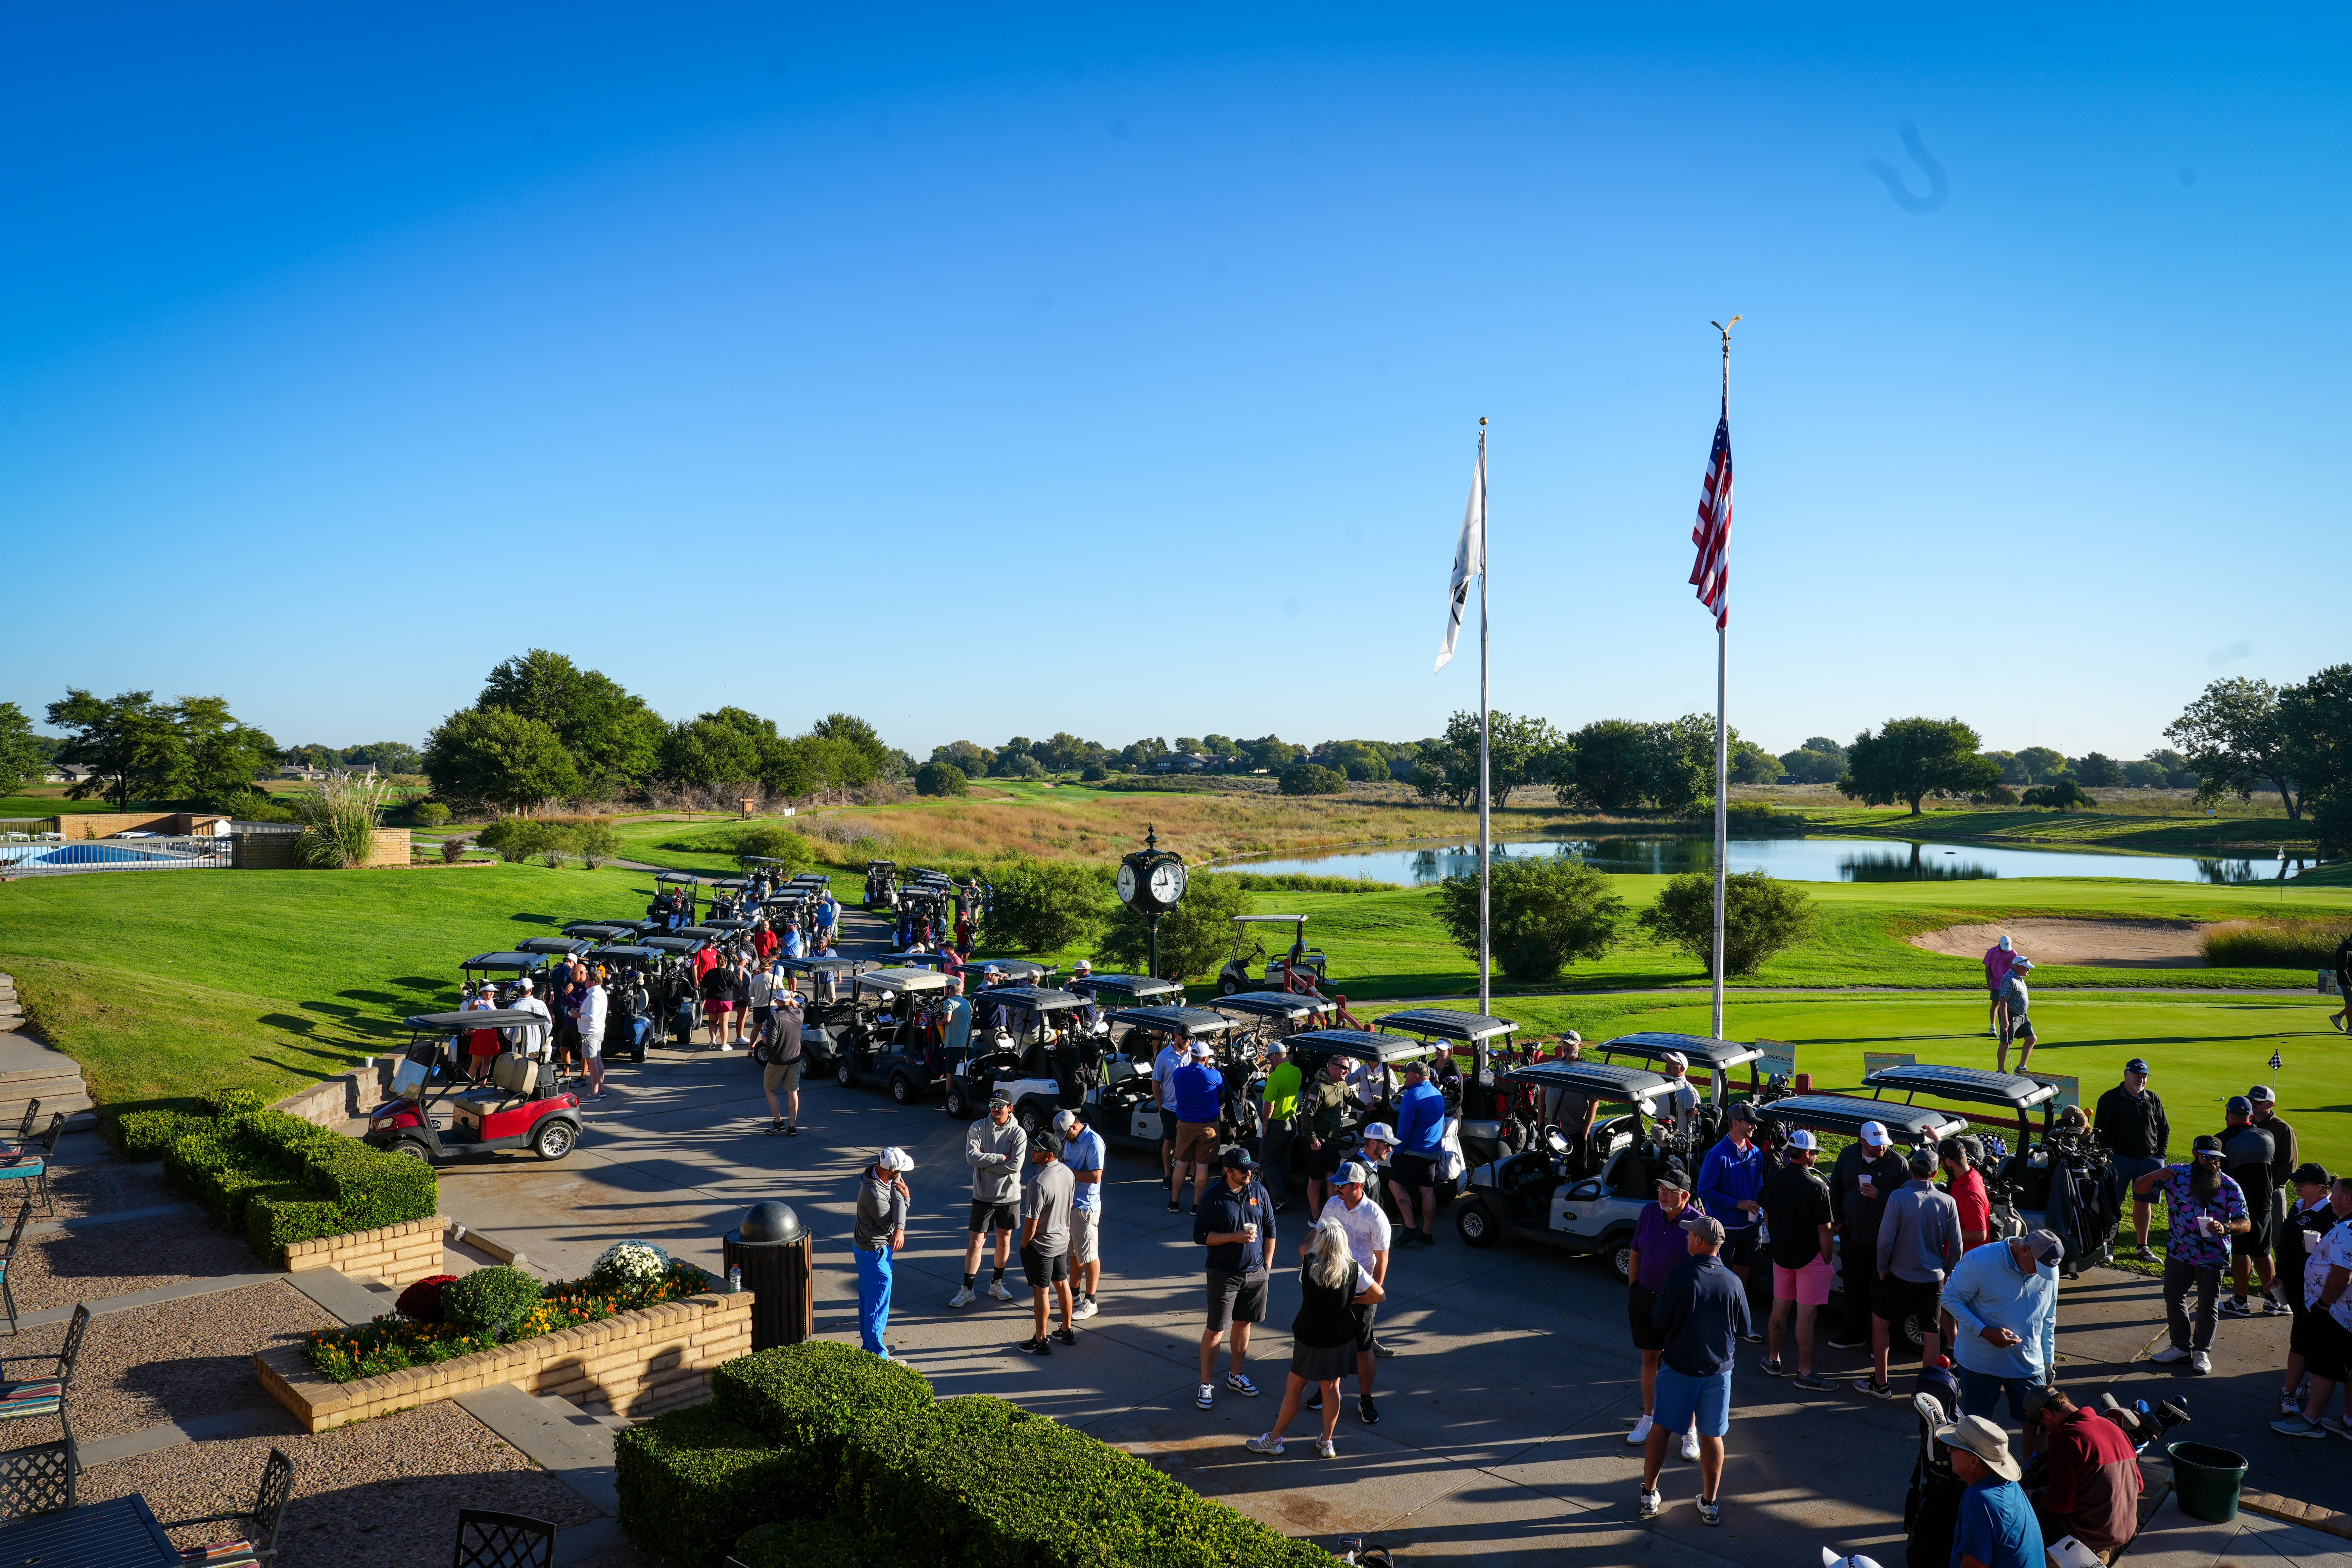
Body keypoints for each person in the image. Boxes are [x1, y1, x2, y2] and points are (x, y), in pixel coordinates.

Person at [1637, 1214, 1750, 1527]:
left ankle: (1649, 1495)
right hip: (1718, 1374)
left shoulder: (1678, 1276)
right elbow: (1744, 1327)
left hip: (1678, 1368)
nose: (1686, 1238)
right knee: (1712, 1436)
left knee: (1661, 1428)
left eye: (1690, 1235)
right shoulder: (1734, 1281)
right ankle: (1711, 1504)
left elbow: (1659, 1322)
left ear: (1699, 1242)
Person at [1245, 1215, 1385, 1459]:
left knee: (1295, 1389)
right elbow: (1379, 1295)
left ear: (1321, 1240)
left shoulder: (1309, 1264)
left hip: (1310, 1337)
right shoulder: (1354, 1268)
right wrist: (1353, 1301)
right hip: (1340, 1338)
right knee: (1332, 1389)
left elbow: (1305, 1263)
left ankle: (1275, 1439)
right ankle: (1327, 1441)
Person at [2132, 1135, 2250, 1374]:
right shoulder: (2176, 1175)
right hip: (2179, 1251)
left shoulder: (2229, 1186)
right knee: (2173, 1296)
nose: (2212, 1163)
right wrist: (2155, 1175)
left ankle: (2202, 1351)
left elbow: (2246, 1223)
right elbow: (2139, 1188)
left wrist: (2226, 1228)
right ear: (2195, 1153)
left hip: (2212, 1255)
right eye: (2207, 1157)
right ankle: (2180, 1347)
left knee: (2208, 1304)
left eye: (2217, 1159)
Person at [1857, 1146, 1960, 1399]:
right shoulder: (1948, 1201)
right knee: (1932, 1333)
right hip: (1933, 1278)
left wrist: (1882, 1268)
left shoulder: (1898, 1198)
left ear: (1911, 1169)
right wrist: (1947, 1273)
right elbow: (1957, 1246)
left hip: (1899, 1275)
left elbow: (1885, 1241)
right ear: (1936, 1173)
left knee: (1880, 1323)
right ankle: (1926, 1391)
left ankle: (1881, 1384)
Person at [1943, 1231, 2062, 1446]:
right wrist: (1985, 1331)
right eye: (2038, 1267)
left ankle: (2031, 1477)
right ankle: (1982, 1479)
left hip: (2029, 1366)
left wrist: (2049, 1360)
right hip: (1980, 1365)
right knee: (1977, 1432)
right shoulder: (1981, 1260)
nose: (2040, 1274)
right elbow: (1950, 1298)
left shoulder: (2047, 1267)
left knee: (2037, 1429)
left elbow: (2048, 1318)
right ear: (2024, 1250)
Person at [1627, 1170, 1708, 1460]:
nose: (1662, 1195)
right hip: (1646, 1300)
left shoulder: (1699, 1223)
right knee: (1650, 1358)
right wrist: (1634, 1289)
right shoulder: (1649, 1212)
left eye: (1669, 1190)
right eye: (1660, 1188)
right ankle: (1649, 1417)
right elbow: (1636, 1252)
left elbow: (1710, 1267)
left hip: (1681, 1309)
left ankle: (1689, 1429)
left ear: (1685, 1196)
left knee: (1684, 1367)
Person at [1311, 1159, 1392, 1424]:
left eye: (1342, 1186)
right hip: (1332, 1284)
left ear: (1357, 1186)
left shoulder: (1376, 1217)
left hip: (1360, 1289)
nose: (1337, 1190)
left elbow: (1382, 1259)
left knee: (1362, 1348)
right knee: (1329, 1343)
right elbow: (1319, 1238)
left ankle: (1366, 1398)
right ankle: (1327, 1390)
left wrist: (1373, 1295)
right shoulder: (1333, 1204)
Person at [1195, 1146, 1277, 1410]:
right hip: (1224, 1275)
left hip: (1255, 1274)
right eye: (1243, 1171)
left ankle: (1236, 1376)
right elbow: (1200, 1237)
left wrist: (1267, 1267)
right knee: (1217, 1329)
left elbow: (1271, 1228)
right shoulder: (1213, 1198)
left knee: (1244, 1324)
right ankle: (1206, 1384)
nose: (1249, 1174)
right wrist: (1234, 1237)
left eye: (1251, 1169)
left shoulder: (1259, 1191)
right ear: (1228, 1171)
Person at [2023, 1389, 2141, 1560]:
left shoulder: (2064, 1437)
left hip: (2091, 1534)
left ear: (2046, 1412)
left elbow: (2062, 1505)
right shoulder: (2110, 1426)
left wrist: (2033, 1496)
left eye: (2041, 1424)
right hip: (2125, 1528)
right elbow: (2139, 1484)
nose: (2046, 1430)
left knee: (2020, 1511)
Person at [1760, 1129, 1836, 1390]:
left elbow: (1767, 1216)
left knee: (1779, 1308)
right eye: (1815, 1152)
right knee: (1806, 1315)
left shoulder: (1773, 1179)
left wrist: (1779, 1240)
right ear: (1806, 1155)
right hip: (1810, 1260)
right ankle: (1804, 1372)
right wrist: (1827, 1258)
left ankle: (1773, 1359)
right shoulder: (1817, 1188)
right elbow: (1825, 1230)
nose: (1815, 1156)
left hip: (1782, 1257)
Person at [1830, 1120, 1908, 1350]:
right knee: (1854, 1290)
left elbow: (1907, 1202)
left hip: (1884, 1243)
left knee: (1881, 1294)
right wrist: (1839, 1225)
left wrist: (1880, 1195)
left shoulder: (1898, 1164)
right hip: (1852, 1237)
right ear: (1862, 1141)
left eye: (1883, 1143)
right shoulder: (1848, 1155)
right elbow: (1836, 1189)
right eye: (1875, 1145)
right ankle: (1854, 1335)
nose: (1881, 1148)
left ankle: (1880, 1344)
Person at [2273, 1162, 2337, 1428]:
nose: (2296, 1186)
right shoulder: (2299, 1206)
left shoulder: (2332, 1214)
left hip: (2318, 1289)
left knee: (2310, 1338)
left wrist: (2320, 1248)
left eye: (2302, 1183)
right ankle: (2293, 1389)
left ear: (2321, 1188)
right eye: (2295, 1182)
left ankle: (2295, 1391)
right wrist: (2279, 1274)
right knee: (2301, 1337)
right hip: (2295, 1283)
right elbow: (2287, 1245)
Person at [950, 1092, 1026, 1308]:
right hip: (982, 1197)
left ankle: (996, 1284)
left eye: (1000, 1105)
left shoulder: (1019, 1134)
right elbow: (971, 1158)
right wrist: (1001, 1158)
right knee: (976, 1242)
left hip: (1009, 1197)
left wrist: (985, 1162)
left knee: (1004, 1240)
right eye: (992, 1104)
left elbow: (1016, 1166)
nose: (995, 1108)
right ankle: (967, 1290)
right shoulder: (978, 1127)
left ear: (1010, 1108)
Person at [1939, 1413, 2044, 1568]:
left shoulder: (1980, 1500)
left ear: (1974, 1461)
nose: (1948, 1449)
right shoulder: (2009, 1485)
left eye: (1955, 1447)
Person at [2093, 1059, 2169, 1260]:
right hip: (2119, 1160)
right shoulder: (2110, 1098)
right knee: (2113, 1202)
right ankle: (2108, 1245)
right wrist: (2110, 1157)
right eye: (2137, 1075)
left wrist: (2161, 1156)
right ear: (2126, 1074)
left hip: (2150, 1161)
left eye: (2144, 1076)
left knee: (2145, 1203)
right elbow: (2101, 1131)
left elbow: (2164, 1129)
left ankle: (2142, 1247)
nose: (2141, 1080)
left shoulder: (2153, 1099)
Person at [1697, 1101, 1767, 1314]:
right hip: (1725, 1229)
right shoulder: (1717, 1155)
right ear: (1735, 1123)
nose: (1754, 1128)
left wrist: (1761, 1212)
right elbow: (1705, 1191)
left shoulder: (1756, 1153)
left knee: (1743, 1273)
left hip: (1750, 1227)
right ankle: (1718, 1315)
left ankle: (1735, 1314)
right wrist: (1738, 1204)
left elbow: (1758, 1188)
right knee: (1722, 1274)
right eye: (1750, 1123)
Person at [2216, 1096, 2282, 1318]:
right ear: (2250, 1115)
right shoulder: (2267, 1136)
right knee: (2263, 1251)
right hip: (2264, 1202)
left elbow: (2219, 1179)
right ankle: (2274, 1301)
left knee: (2241, 1250)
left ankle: (2241, 1302)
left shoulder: (2222, 1141)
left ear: (2228, 1113)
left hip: (2237, 1205)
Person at [1018, 1135, 1078, 1355]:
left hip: (1042, 1246)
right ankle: (1067, 1329)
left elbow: (1031, 1222)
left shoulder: (1038, 1183)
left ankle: (1041, 1341)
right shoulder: (1068, 1173)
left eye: (1038, 1149)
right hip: (1062, 1241)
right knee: (1062, 1284)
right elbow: (1070, 1203)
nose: (1032, 1151)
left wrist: (1025, 1247)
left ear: (1050, 1155)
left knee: (1042, 1292)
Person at [852, 1148, 914, 1358]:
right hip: (875, 1253)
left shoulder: (881, 1178)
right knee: (877, 1303)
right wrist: (905, 1200)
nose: (902, 1174)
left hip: (869, 1250)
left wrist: (900, 1195)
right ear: (892, 1170)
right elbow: (891, 1226)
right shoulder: (875, 1194)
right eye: (900, 1170)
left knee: (869, 1300)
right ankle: (878, 1355)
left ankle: (870, 1347)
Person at [1049, 1108, 1107, 1318]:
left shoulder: (1094, 1142)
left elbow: (1096, 1176)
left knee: (1090, 1255)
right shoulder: (1071, 1140)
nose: (1064, 1140)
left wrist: (1066, 1172)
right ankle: (1073, 1296)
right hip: (1071, 1206)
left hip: (1086, 1208)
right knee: (1074, 1253)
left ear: (1074, 1126)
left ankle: (1091, 1302)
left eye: (1065, 1135)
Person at [1388, 1060, 1447, 1247]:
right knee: (1427, 1189)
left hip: (1414, 1151)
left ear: (1415, 1076)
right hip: (1432, 1151)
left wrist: (1397, 1151)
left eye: (1406, 1074)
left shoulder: (1412, 1096)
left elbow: (1404, 1128)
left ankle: (1411, 1227)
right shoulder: (1436, 1093)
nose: (1404, 1077)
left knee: (1395, 1185)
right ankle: (1427, 1233)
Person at [1170, 1041, 1225, 1215]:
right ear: (1206, 1058)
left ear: (1192, 1056)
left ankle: (1174, 1202)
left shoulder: (1179, 1074)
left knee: (1181, 1164)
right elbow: (1222, 1097)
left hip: (1185, 1125)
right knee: (1202, 1167)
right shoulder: (1214, 1075)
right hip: (1208, 1127)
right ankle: (1197, 1206)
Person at [1299, 1054, 1354, 1216]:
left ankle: (1332, 1215)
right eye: (1344, 1068)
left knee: (1333, 1178)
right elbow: (1306, 1115)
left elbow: (1350, 1098)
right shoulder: (1318, 1088)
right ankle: (1316, 1216)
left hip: (1332, 1141)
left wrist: (1368, 1107)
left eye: (1348, 1068)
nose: (1347, 1071)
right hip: (1317, 1142)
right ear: (1332, 1067)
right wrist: (1312, 1139)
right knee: (1316, 1180)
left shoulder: (1340, 1085)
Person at [2250, 1084, 2298, 1261]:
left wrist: (2274, 1185)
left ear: (2270, 1105)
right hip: (2249, 1187)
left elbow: (2290, 1163)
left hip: (2273, 1190)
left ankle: (2283, 1272)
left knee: (2277, 1234)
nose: (2253, 1104)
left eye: (2258, 1102)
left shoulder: (2283, 1129)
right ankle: (2250, 1267)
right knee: (2249, 1229)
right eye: (2251, 1100)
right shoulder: (2246, 1123)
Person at [1258, 1041, 1302, 1213]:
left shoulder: (1275, 1077)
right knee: (1284, 1160)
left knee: (1266, 1160)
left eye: (1270, 1058)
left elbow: (1269, 1105)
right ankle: (1284, 1193)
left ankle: (1281, 1197)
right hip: (1292, 1122)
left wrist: (1265, 1124)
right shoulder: (1297, 1072)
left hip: (1277, 1124)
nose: (1270, 1061)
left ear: (1275, 1056)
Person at [760, 987, 804, 1136]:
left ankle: (778, 1121)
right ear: (790, 1001)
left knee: (769, 1088)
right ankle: (793, 1125)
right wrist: (791, 998)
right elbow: (797, 1006)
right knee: (793, 1092)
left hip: (778, 1060)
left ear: (778, 1002)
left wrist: (764, 1039)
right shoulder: (799, 1014)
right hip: (795, 1058)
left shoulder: (776, 1017)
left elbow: (771, 1042)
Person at [1151, 1028, 1185, 1195]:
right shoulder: (1164, 1056)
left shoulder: (1192, 1055)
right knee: (1169, 1140)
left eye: (1190, 1038)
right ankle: (1167, 1174)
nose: (1187, 1041)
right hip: (1170, 1108)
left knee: (1187, 1141)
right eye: (1184, 1038)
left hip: (1187, 1108)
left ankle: (1188, 1174)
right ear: (1176, 1036)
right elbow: (1156, 1082)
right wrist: (1160, 1106)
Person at [1945, 1140, 1992, 1251]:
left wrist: (1944, 1232)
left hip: (1967, 1261)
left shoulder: (1969, 1193)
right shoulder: (1972, 1173)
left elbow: (1979, 1234)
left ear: (1948, 1162)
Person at [1995, 957, 2037, 1075]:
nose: (2029, 970)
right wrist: (2005, 1020)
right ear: (2017, 966)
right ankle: (2001, 1071)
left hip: (2023, 1015)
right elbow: (2003, 1001)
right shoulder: (2010, 980)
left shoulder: (2020, 977)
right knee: (2006, 1042)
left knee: (2032, 1039)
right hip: (2011, 1015)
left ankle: (2021, 1068)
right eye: (2027, 968)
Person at [572, 966, 609, 1100]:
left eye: (587, 979)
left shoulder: (593, 995)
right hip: (598, 1031)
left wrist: (577, 1016)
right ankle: (601, 1089)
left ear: (593, 982)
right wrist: (580, 1011)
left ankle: (595, 1094)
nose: (585, 981)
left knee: (592, 1062)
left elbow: (592, 1017)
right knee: (598, 1061)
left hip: (590, 1033)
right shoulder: (601, 993)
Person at [507, 976, 553, 1061]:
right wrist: (541, 1037)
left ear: (518, 990)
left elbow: (508, 1031)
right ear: (531, 990)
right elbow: (549, 1025)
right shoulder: (541, 1005)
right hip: (538, 1046)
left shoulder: (513, 1008)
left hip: (520, 1047)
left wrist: (513, 1038)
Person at [1652, 1049, 1701, 1127]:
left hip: (1678, 1138)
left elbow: (1695, 1122)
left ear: (1682, 1069)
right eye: (1667, 1062)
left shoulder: (1688, 1092)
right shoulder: (1665, 1087)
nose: (1668, 1066)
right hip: (1660, 1137)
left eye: (1672, 1063)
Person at [463, 985, 501, 1083]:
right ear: (483, 992)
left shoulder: (492, 1003)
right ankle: (470, 1086)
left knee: (487, 1063)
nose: (492, 994)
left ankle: (482, 1086)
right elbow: (469, 1018)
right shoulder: (476, 1003)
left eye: (493, 992)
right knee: (476, 1063)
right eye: (490, 992)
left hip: (492, 1034)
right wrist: (469, 1031)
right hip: (481, 1035)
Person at [1982, 934, 2016, 1041]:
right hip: (1996, 983)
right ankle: (1993, 1026)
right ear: (2000, 944)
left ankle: (2007, 1027)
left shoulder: (2013, 953)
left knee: (2007, 1005)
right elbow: (1988, 968)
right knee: (1995, 1004)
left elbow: (2016, 970)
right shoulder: (1992, 952)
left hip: (2008, 984)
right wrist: (1989, 983)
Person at [697, 955, 733, 1051]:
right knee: (724, 1023)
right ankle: (724, 1045)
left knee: (712, 1022)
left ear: (717, 963)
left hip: (712, 1000)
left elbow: (704, 985)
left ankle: (713, 1040)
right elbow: (739, 984)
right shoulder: (729, 973)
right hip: (725, 1000)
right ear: (726, 963)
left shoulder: (710, 973)